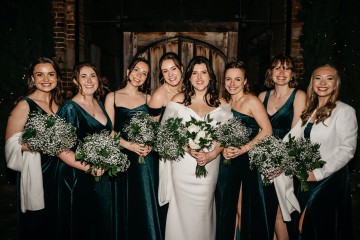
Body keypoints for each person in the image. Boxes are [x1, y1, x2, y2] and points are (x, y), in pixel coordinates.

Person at [159, 56, 233, 240]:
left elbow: (227, 136)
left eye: (204, 73)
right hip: (182, 166)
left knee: (203, 211)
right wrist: (188, 149)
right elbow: (166, 133)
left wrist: (213, 153)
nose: (199, 78)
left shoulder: (222, 103)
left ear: (210, 76)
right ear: (189, 77)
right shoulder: (178, 99)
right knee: (181, 211)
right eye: (195, 73)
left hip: (210, 164)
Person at [285, 64, 357, 239]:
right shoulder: (309, 111)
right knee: (302, 227)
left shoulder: (344, 111)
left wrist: (318, 173)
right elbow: (293, 140)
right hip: (305, 177)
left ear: (336, 84)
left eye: (329, 78)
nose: (323, 82)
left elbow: (347, 150)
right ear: (312, 82)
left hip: (329, 179)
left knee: (309, 225)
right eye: (318, 78)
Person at [104, 57, 164, 240]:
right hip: (123, 157)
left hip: (146, 159)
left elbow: (156, 128)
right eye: (136, 70)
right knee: (125, 203)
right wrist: (129, 145)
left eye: (144, 73)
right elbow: (108, 131)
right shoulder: (112, 97)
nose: (139, 76)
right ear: (128, 71)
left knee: (146, 201)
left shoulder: (149, 98)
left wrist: (150, 145)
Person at [5, 57, 64, 240]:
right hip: (38, 170)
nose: (46, 79)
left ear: (57, 78)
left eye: (51, 74)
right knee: (38, 224)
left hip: (60, 171)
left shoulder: (60, 104)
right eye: (40, 74)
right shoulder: (25, 104)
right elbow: (10, 144)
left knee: (58, 220)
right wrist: (38, 144)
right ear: (32, 78)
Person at [217, 61, 273, 240]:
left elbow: (267, 130)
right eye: (228, 79)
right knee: (226, 207)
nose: (232, 84)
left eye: (237, 79)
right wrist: (223, 148)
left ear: (245, 81)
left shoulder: (251, 100)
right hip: (226, 161)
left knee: (242, 208)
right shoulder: (223, 102)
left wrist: (244, 149)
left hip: (246, 160)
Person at [56, 62, 112, 239]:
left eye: (93, 76)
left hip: (102, 177)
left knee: (102, 224)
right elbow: (60, 149)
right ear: (75, 81)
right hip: (78, 177)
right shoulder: (69, 108)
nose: (89, 81)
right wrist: (89, 167)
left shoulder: (99, 102)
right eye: (83, 76)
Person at [258, 54, 306, 240]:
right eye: (277, 67)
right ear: (270, 72)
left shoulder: (298, 95)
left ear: (292, 73)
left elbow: (297, 132)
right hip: (263, 158)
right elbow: (259, 129)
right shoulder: (263, 96)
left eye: (286, 68)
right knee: (268, 209)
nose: (282, 72)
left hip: (285, 158)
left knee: (280, 211)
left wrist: (282, 162)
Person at [148, 52, 183, 120]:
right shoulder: (158, 96)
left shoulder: (189, 87)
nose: (170, 74)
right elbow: (151, 128)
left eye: (173, 69)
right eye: (165, 71)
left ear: (181, 69)